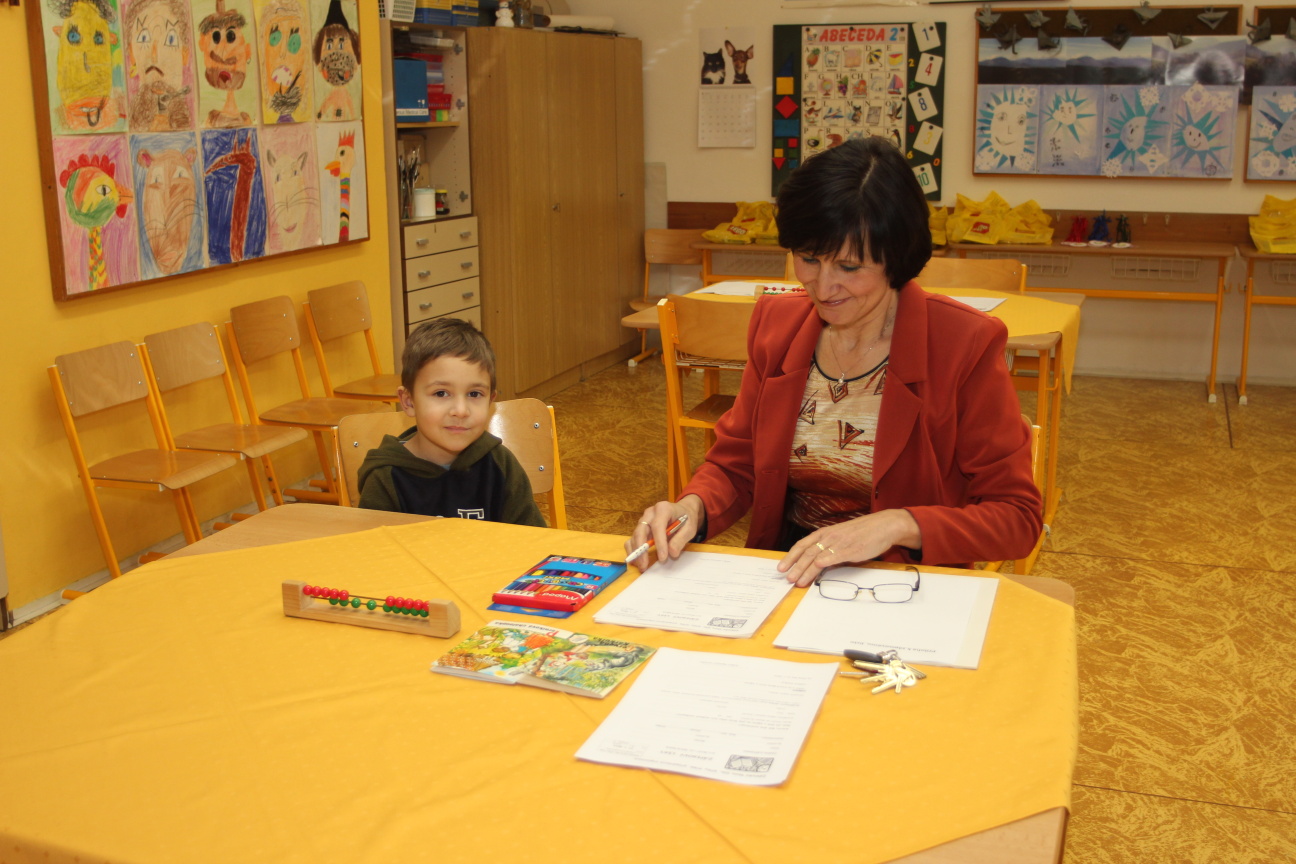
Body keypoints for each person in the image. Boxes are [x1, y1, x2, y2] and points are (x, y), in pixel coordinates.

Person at [628, 137, 1041, 586]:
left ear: (896, 260)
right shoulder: (778, 326)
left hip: (902, 582)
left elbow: (1017, 517)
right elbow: (737, 463)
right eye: (808, 259)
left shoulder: (963, 343)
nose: (823, 288)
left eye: (849, 267)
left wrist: (900, 524)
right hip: (792, 572)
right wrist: (692, 507)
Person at [357, 318, 545, 526]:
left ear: (490, 401)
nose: (461, 411)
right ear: (409, 401)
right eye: (441, 393)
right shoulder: (385, 478)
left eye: (474, 394)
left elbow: (533, 539)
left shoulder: (501, 464)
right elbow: (373, 546)